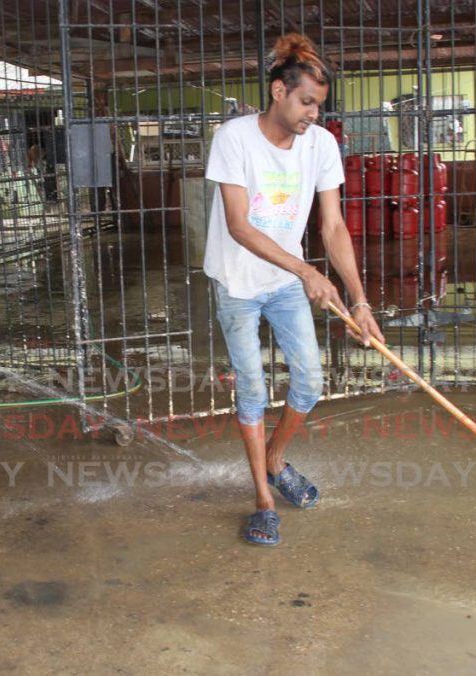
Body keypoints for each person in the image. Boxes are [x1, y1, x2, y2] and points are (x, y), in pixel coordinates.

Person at [204, 33, 383, 546]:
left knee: (309, 380)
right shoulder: (234, 139)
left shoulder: (321, 145)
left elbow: (332, 227)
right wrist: (307, 271)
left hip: (285, 281)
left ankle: (277, 459)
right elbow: (239, 226)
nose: (313, 115)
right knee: (253, 389)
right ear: (279, 91)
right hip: (237, 282)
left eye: (319, 106)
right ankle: (263, 499)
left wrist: (359, 299)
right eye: (306, 102)